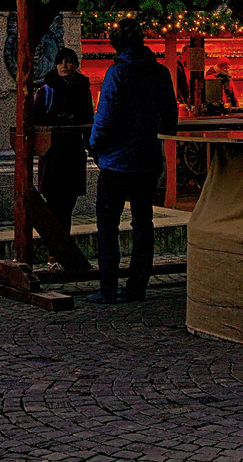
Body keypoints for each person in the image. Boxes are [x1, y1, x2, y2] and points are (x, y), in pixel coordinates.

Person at [88, 21, 177, 303]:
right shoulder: (160, 73)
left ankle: (108, 288)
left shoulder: (117, 73)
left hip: (116, 162)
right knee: (143, 223)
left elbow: (105, 117)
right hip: (149, 158)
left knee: (107, 227)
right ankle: (137, 285)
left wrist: (94, 145)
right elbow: (171, 115)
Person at [32, 49, 94, 228]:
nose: (65, 66)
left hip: (74, 153)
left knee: (67, 207)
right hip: (54, 156)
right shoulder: (47, 90)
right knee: (55, 204)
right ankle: (56, 250)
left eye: (69, 61)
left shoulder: (82, 88)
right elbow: (37, 120)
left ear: (76, 64)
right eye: (61, 62)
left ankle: (61, 248)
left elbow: (88, 120)